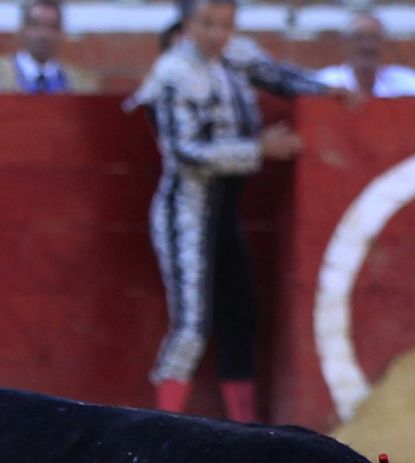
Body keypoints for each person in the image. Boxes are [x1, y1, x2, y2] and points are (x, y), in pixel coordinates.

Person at [126, 0, 326, 421]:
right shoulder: (172, 75)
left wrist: (329, 93)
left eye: (226, 25)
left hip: (225, 214)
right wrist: (259, 148)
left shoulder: (237, 55)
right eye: (207, 25)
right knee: (192, 327)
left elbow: (281, 78)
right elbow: (184, 153)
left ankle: (244, 432)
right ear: (187, 24)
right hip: (186, 214)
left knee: (241, 317)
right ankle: (163, 431)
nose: (217, 35)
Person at [313, 12, 415, 101]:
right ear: (345, 44)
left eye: (375, 38)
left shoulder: (409, 82)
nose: (367, 46)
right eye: (358, 38)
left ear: (385, 44)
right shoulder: (324, 82)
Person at [0, 0, 97, 94]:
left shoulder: (81, 84)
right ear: (22, 29)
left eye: (52, 26)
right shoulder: (2, 74)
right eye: (35, 25)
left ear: (62, 32)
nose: (43, 35)